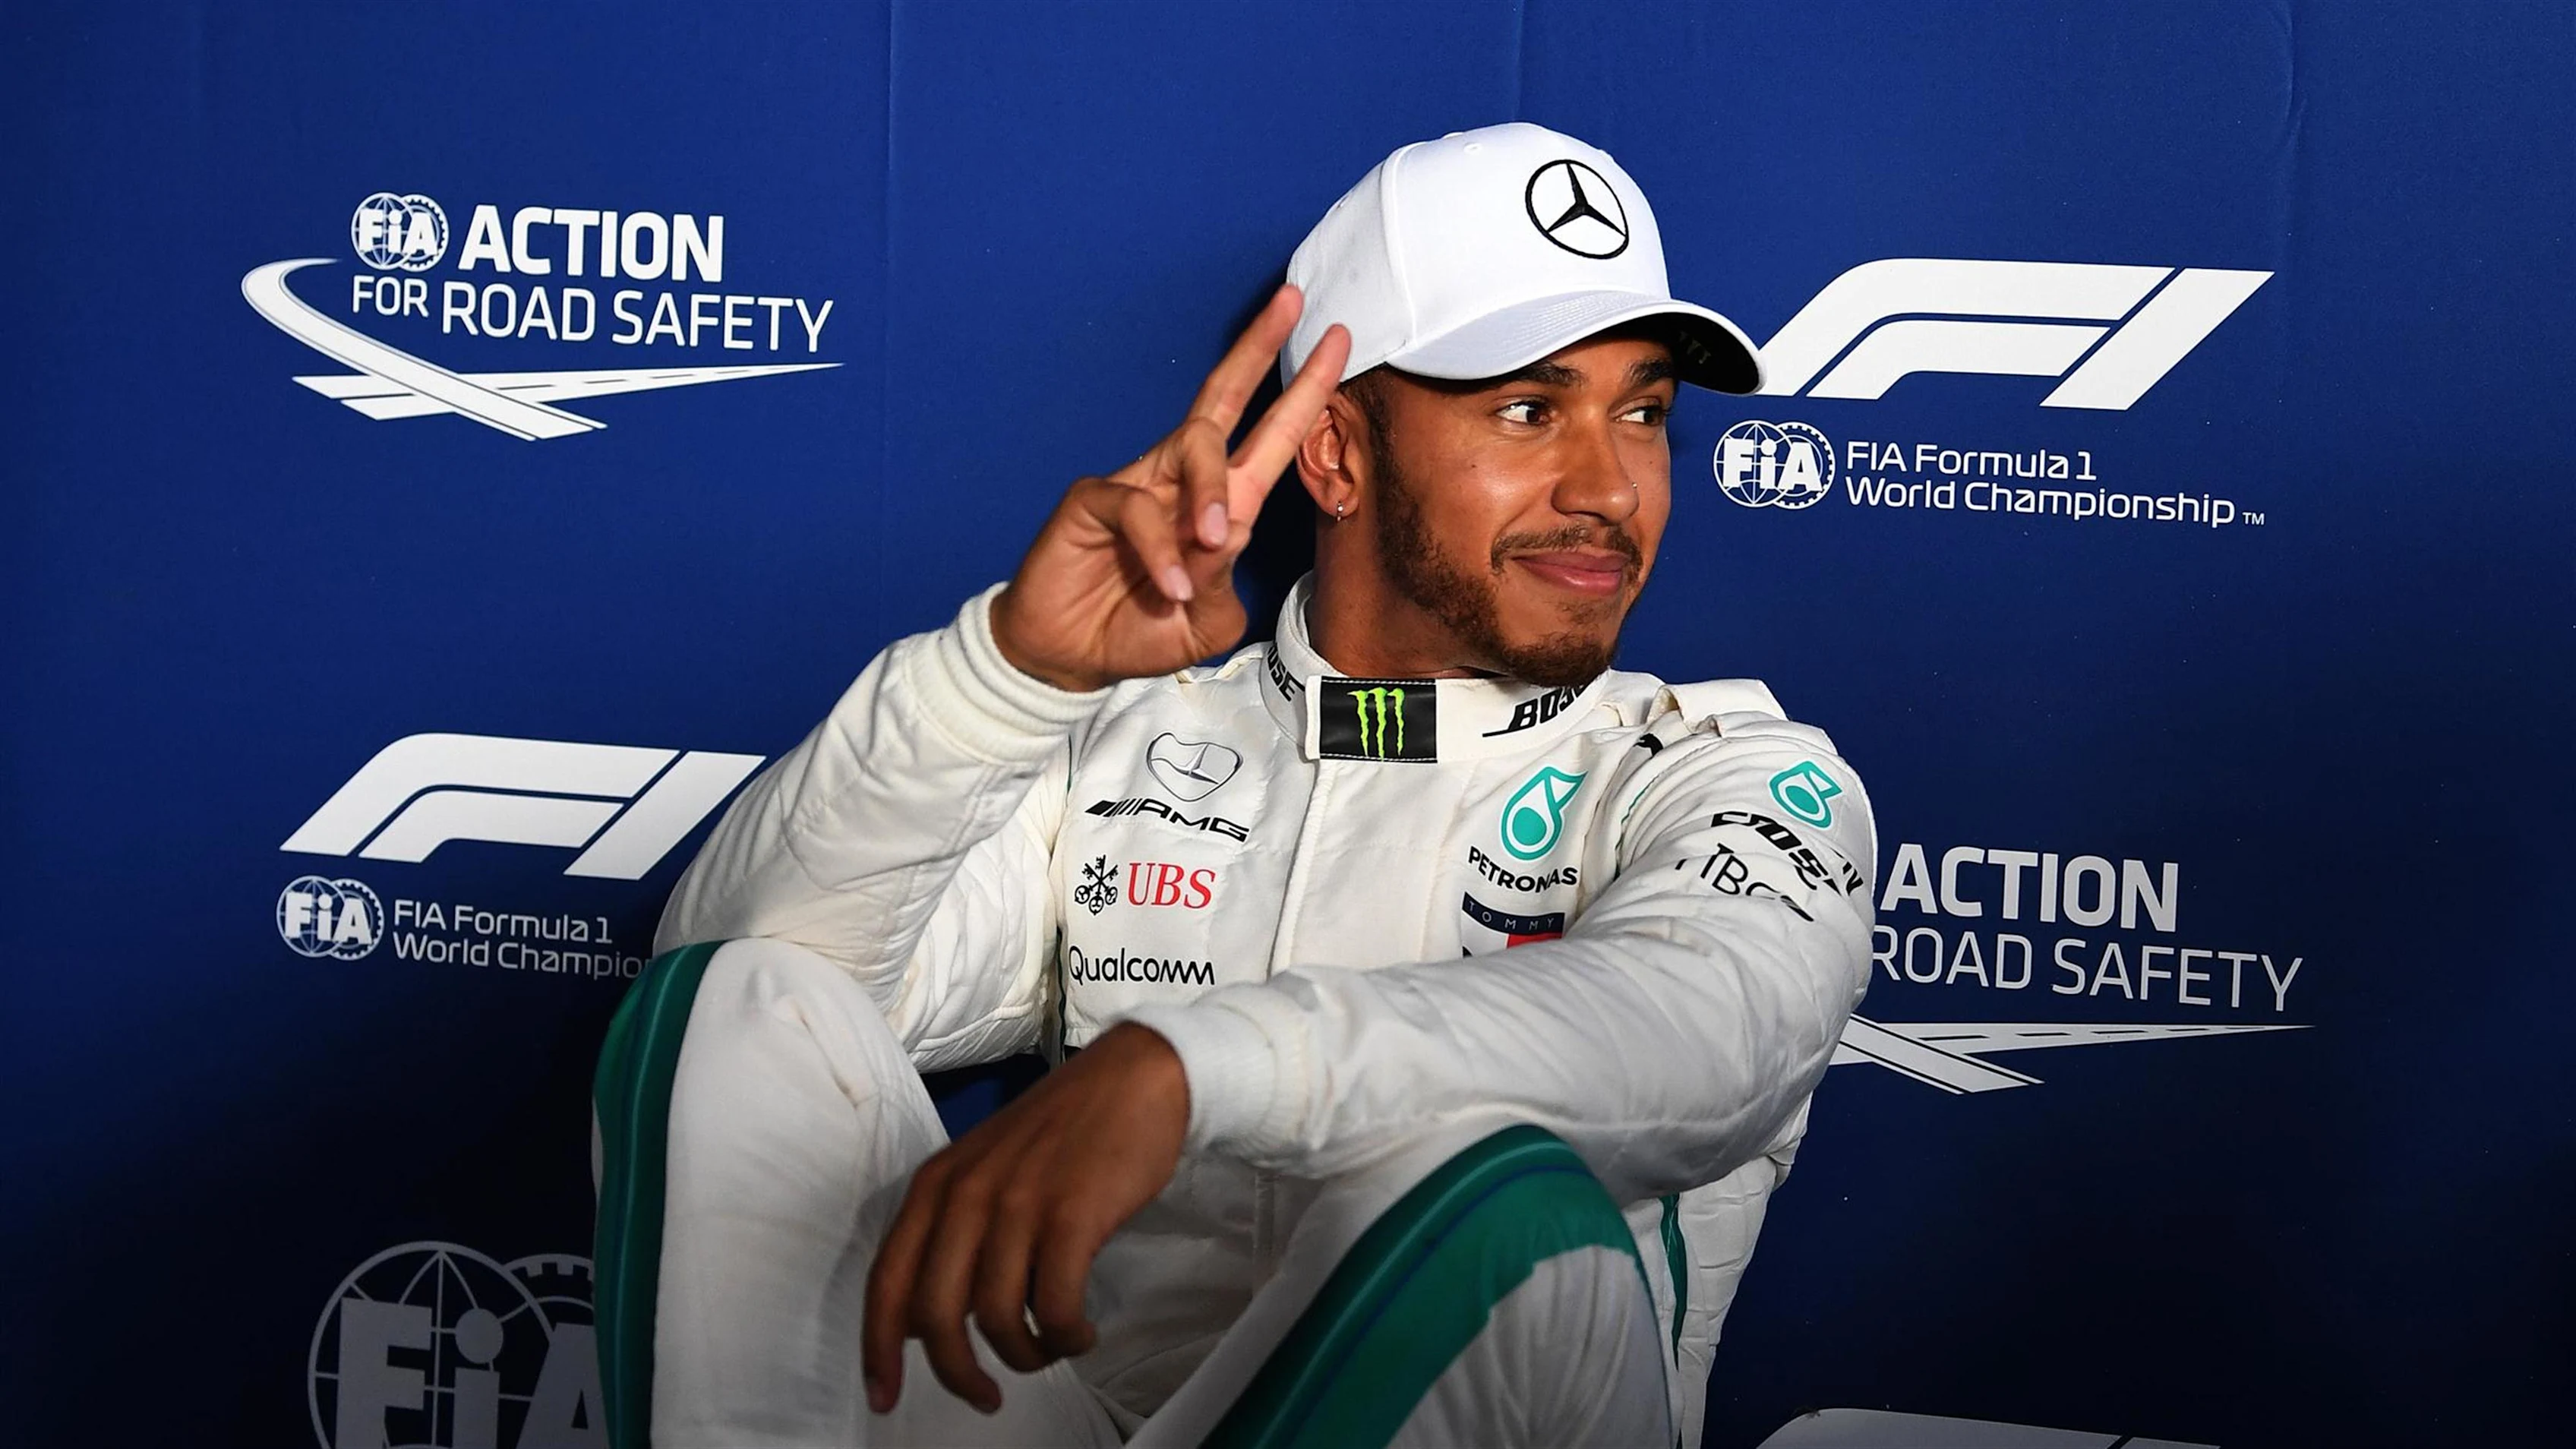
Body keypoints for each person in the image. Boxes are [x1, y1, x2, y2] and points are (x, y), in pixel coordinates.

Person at [592, 121, 1877, 1449]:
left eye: (1645, 414)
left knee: (1505, 1221)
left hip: (1514, 1390)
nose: (1612, 486)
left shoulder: (1729, 773)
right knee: (730, 999)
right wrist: (1006, 679)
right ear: (1334, 454)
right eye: (1529, 409)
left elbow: (1703, 1032)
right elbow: (769, 995)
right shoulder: (1126, 746)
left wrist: (1189, 1071)